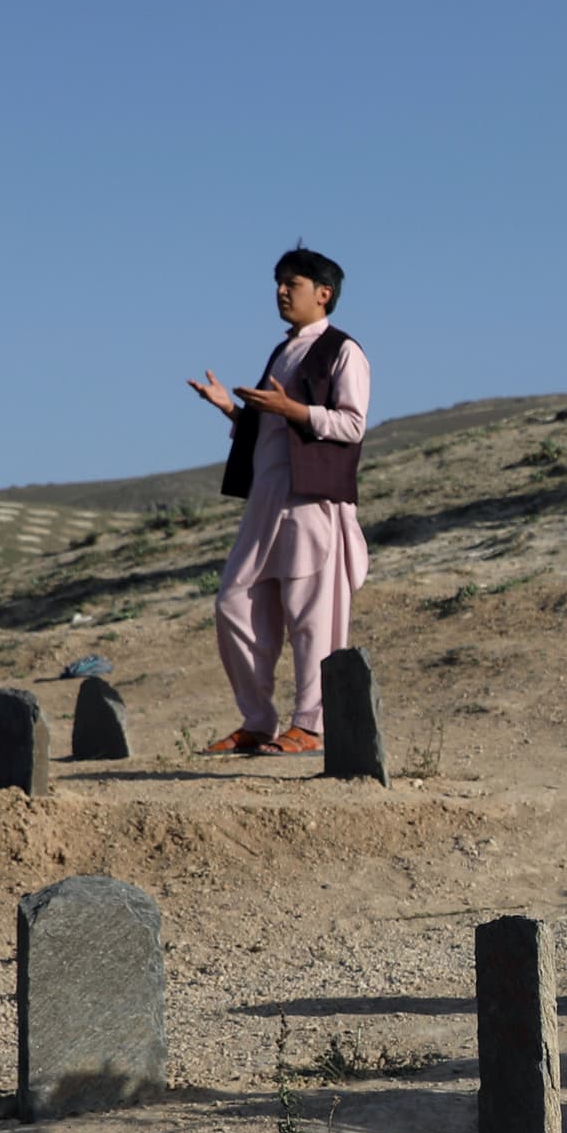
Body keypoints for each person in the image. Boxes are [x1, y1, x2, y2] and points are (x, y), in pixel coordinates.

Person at [186, 248, 371, 756]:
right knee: (235, 604)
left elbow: (352, 423)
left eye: (293, 283)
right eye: (279, 283)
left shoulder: (343, 350)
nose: (282, 292)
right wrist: (231, 409)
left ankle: (310, 725)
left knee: (313, 615)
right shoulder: (281, 351)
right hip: (267, 500)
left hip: (313, 500)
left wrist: (294, 408)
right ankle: (258, 720)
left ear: (323, 293)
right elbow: (270, 430)